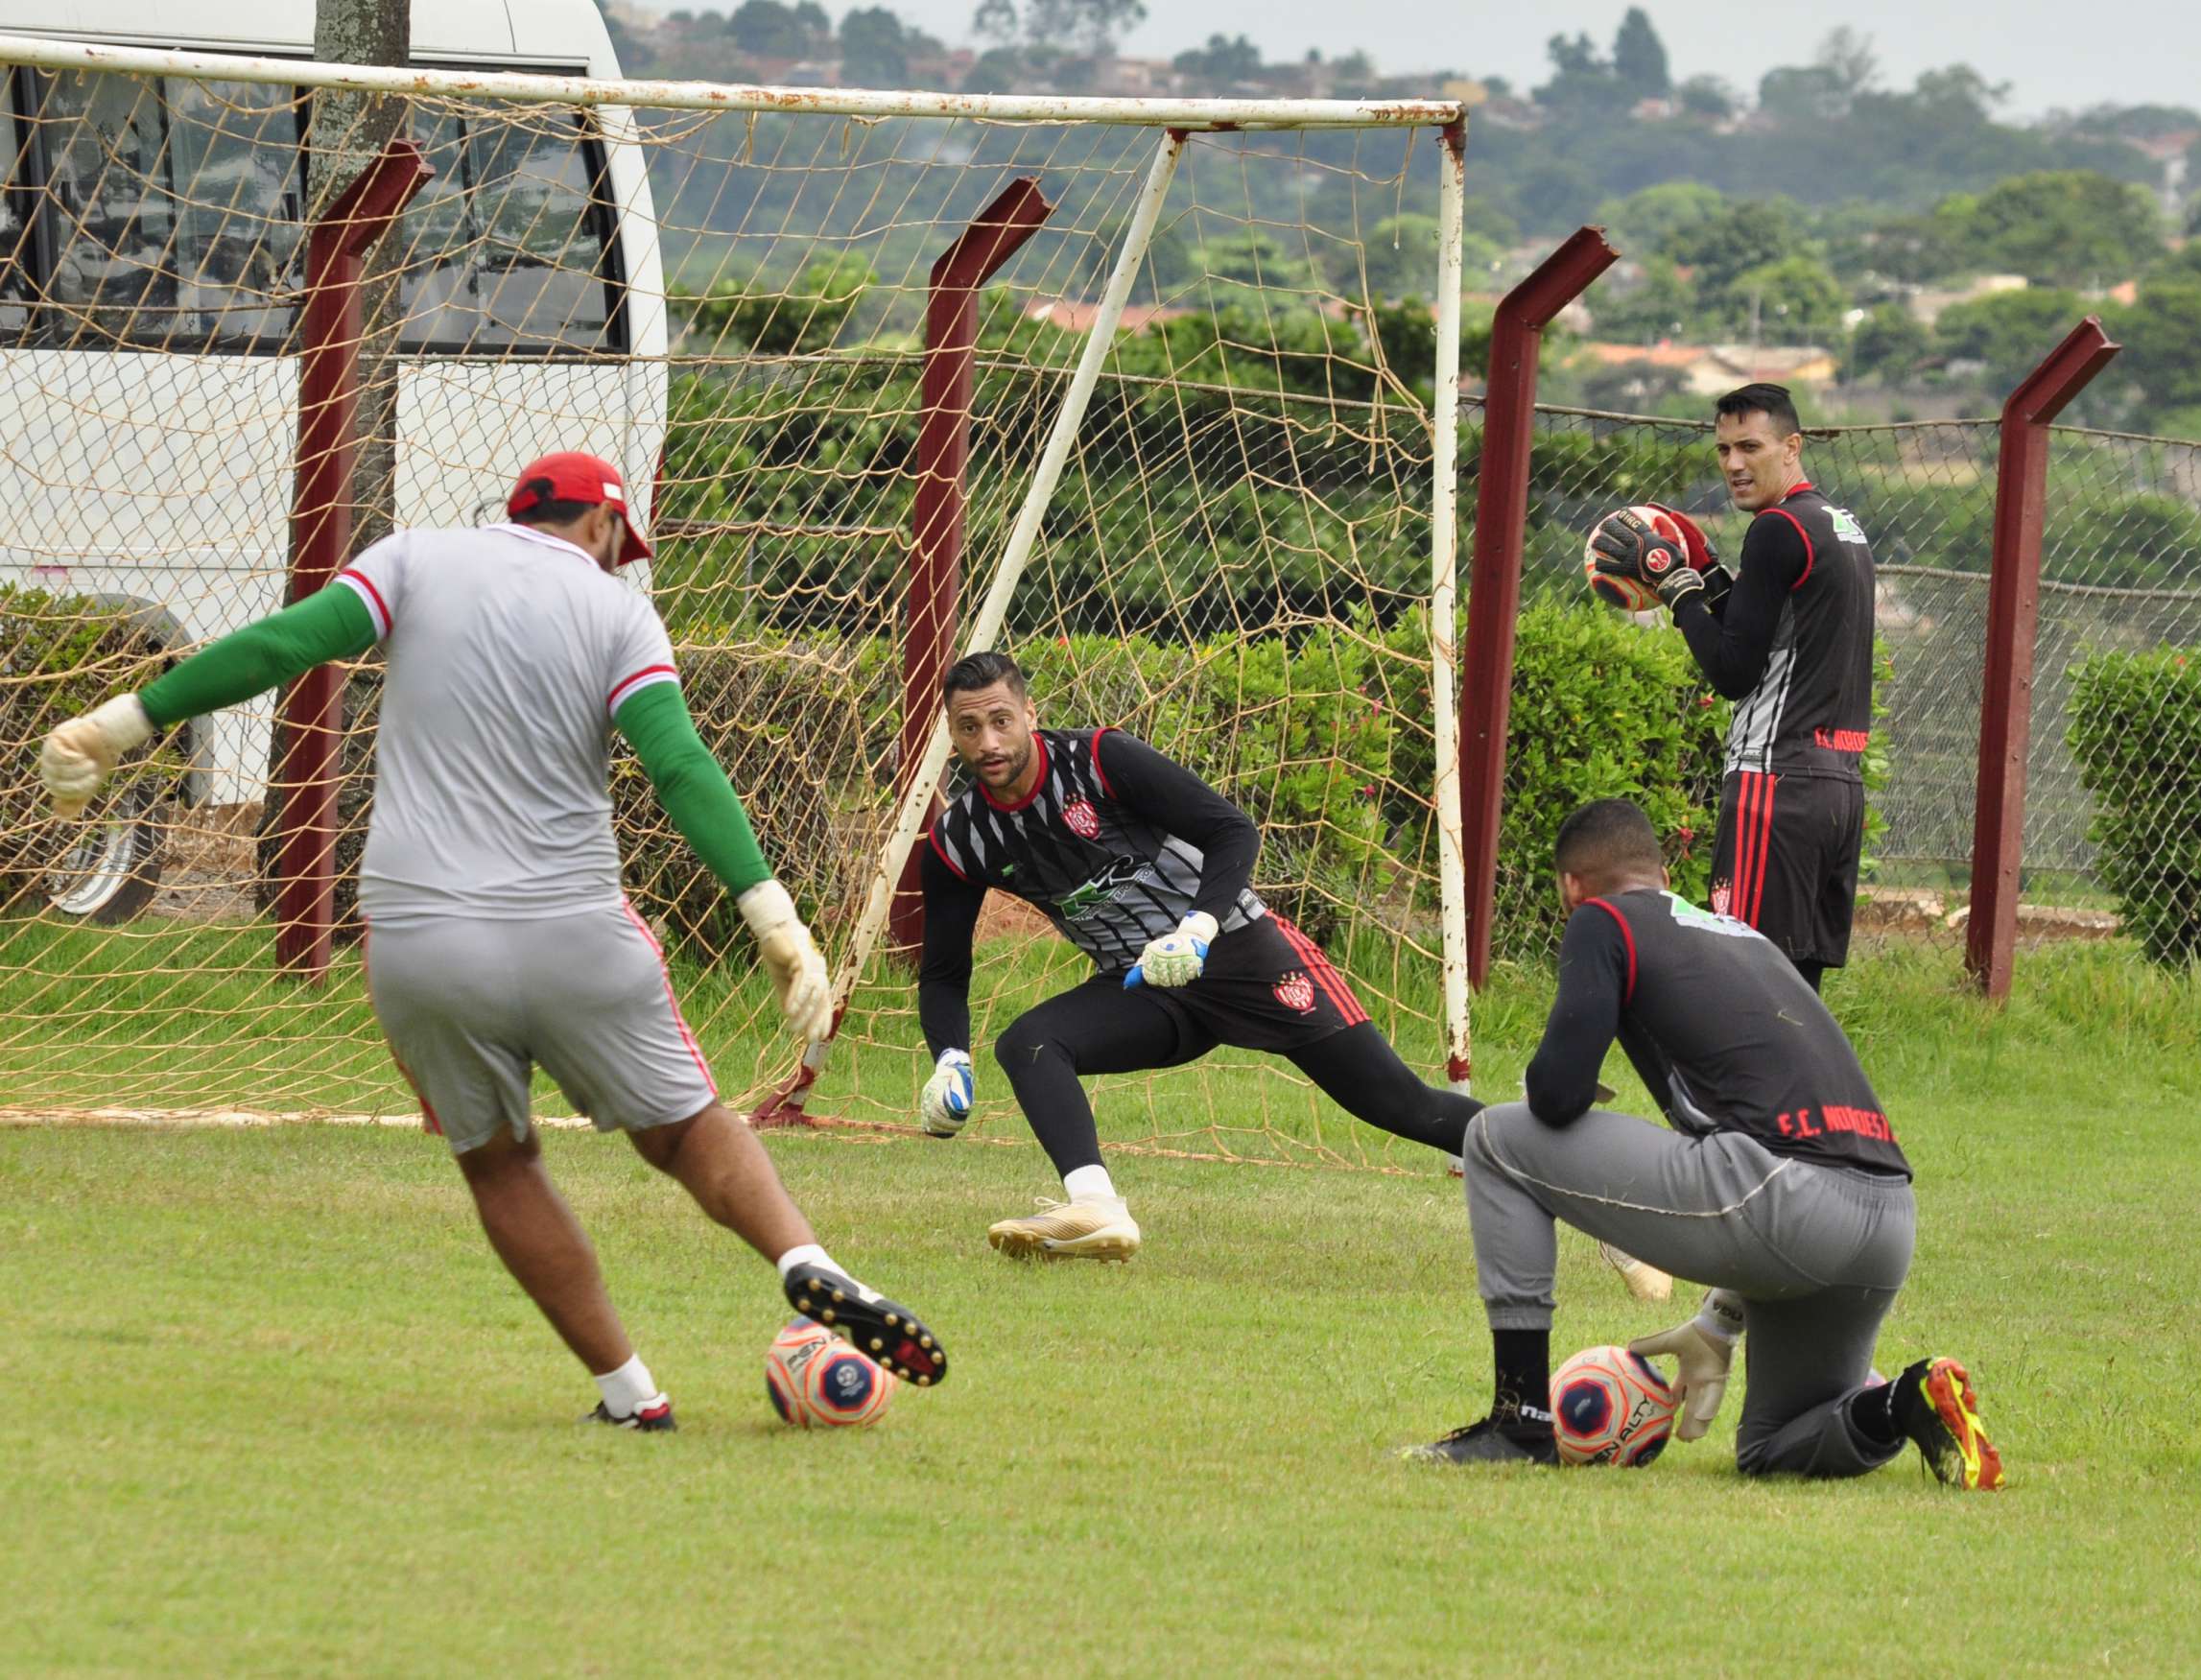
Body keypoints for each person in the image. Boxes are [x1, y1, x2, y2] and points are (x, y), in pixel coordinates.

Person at [37, 451, 948, 1428]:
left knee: (500, 1161)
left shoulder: (414, 561)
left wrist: (126, 718)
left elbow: (285, 643)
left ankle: (629, 1393)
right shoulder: (618, 613)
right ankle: (804, 1259)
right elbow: (678, 758)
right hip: (576, 933)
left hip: (425, 941)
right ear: (600, 526)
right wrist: (771, 915)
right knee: (687, 1130)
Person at [1408, 797, 2000, 1491]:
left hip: (1783, 1201)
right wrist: (1719, 1320)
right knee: (1771, 1445)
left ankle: (1520, 1421)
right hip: (1887, 1219)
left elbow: (1558, 1095)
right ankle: (1902, 1400)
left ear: (1572, 885)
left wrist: (1546, 1077)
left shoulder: (1602, 918)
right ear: (1661, 872)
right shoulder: (1743, 937)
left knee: (1496, 1137)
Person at [913, 650, 1481, 1261]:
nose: (989, 742)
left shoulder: (1100, 758)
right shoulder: (959, 838)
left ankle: (1564, 1156)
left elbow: (1231, 829)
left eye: (1002, 720)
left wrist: (1197, 929)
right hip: (1143, 987)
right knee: (1028, 1043)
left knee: (1399, 1105)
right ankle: (1096, 1209)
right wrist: (949, 1058)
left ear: (1030, 712)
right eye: (969, 728)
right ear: (953, 733)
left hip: (1241, 952)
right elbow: (944, 971)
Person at [1589, 382, 1874, 993]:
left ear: (1791, 446)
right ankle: (1809, 1092)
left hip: (1775, 780)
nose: (1734, 465)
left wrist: (1676, 587)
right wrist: (1711, 573)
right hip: (1838, 788)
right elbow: (1771, 630)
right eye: (1723, 450)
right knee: (1797, 988)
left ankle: (1739, 1093)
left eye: (1750, 446)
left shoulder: (1775, 529)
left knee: (1741, 983)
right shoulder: (1838, 526)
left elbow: (1734, 670)